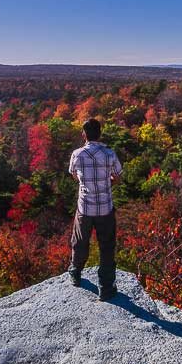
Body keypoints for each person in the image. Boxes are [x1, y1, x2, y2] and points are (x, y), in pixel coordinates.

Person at [68, 118, 123, 300]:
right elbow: (118, 177)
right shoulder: (109, 153)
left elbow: (75, 176)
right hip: (105, 208)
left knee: (80, 240)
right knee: (107, 246)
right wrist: (107, 182)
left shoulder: (77, 154)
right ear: (100, 134)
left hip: (84, 207)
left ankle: (76, 272)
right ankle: (106, 288)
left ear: (84, 134)